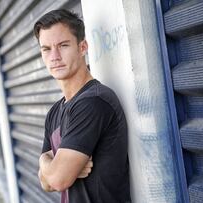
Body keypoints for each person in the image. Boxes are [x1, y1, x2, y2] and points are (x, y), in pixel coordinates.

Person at [33, 9, 131, 203]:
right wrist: (48, 164)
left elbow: (58, 180)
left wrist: (50, 162)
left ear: (83, 47)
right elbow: (45, 183)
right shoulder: (54, 113)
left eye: (63, 45)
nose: (54, 56)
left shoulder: (93, 102)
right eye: (46, 49)